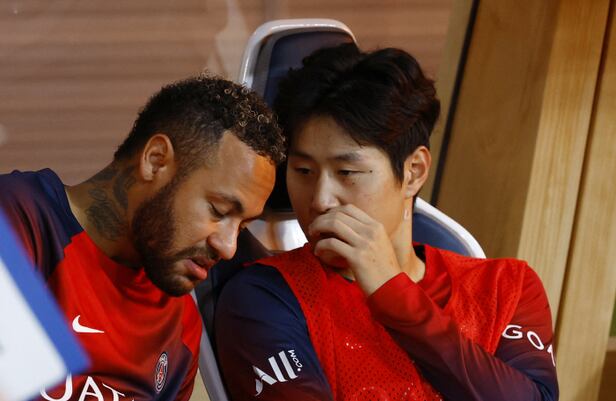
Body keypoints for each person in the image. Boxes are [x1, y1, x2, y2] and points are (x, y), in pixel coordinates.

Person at [214, 44, 559, 401]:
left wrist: (394, 294)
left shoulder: (507, 287)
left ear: (414, 172)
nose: (321, 199)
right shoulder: (264, 298)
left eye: (347, 172)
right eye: (303, 171)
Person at [0, 75, 285, 400]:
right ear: (155, 160)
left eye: (243, 227)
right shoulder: (18, 223)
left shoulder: (180, 326)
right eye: (218, 211)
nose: (229, 247)